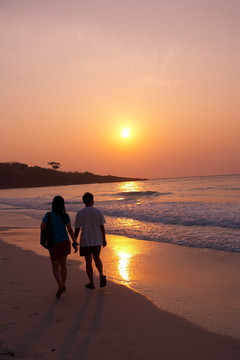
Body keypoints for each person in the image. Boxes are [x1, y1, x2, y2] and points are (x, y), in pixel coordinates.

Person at [41, 196, 79, 298]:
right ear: (63, 205)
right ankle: (62, 284)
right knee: (63, 265)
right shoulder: (65, 216)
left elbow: (42, 227)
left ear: (53, 204)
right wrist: (75, 242)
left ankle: (60, 284)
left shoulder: (48, 215)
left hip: (54, 244)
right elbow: (70, 230)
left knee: (55, 266)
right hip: (65, 243)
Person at [74, 192, 107, 289]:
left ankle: (91, 283)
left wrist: (74, 241)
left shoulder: (80, 213)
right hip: (97, 239)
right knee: (97, 258)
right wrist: (104, 239)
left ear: (84, 201)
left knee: (88, 262)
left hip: (85, 241)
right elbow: (102, 227)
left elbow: (77, 228)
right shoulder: (98, 211)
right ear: (92, 200)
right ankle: (101, 274)